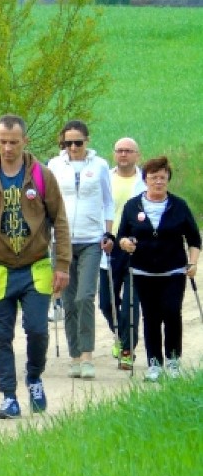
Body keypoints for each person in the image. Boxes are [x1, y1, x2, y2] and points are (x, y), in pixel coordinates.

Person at [0, 114, 70, 419]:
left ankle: (35, 378)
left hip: (36, 267)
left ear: (25, 141)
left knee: (37, 329)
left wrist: (62, 264)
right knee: (0, 336)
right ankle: (9, 396)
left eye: (13, 141)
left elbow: (60, 221)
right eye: (2, 141)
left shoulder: (42, 176)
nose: (8, 147)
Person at [117, 156, 200, 381]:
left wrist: (192, 263)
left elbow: (194, 239)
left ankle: (173, 360)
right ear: (145, 180)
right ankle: (154, 363)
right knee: (151, 317)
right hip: (144, 271)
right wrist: (125, 244)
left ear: (168, 180)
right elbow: (122, 236)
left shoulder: (178, 205)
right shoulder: (133, 205)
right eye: (153, 177)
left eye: (162, 178)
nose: (158, 182)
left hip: (173, 270)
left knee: (172, 312)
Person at [47, 121, 114, 380]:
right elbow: (48, 202)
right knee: (67, 300)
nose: (73, 147)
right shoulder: (54, 165)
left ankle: (87, 355)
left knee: (84, 297)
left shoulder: (99, 166)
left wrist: (107, 232)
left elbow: (108, 201)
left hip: (91, 239)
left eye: (78, 142)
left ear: (87, 141)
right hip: (61, 241)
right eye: (68, 143)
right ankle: (74, 356)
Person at [98, 138, 146, 370]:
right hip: (109, 246)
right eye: (119, 151)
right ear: (114, 154)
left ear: (137, 155)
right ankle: (120, 335)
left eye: (128, 151)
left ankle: (127, 349)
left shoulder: (145, 181)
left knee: (130, 302)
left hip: (136, 247)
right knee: (106, 303)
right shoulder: (104, 177)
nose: (123, 154)